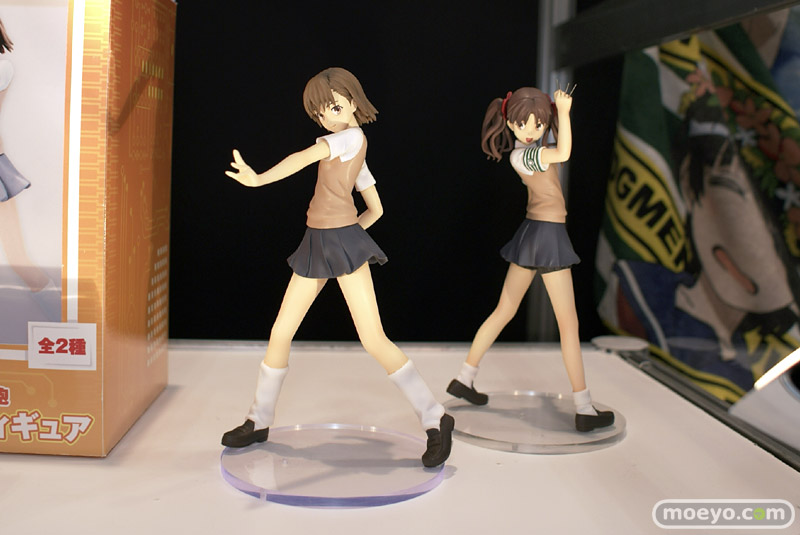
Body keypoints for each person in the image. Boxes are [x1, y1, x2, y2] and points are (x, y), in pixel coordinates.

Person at [222, 67, 453, 467]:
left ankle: (435, 417)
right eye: (319, 113)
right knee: (281, 331)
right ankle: (258, 419)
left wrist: (258, 181)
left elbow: (302, 157)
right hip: (319, 241)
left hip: (338, 241)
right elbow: (376, 209)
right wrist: (349, 233)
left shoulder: (348, 139)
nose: (326, 117)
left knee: (372, 338)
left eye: (333, 107)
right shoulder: (352, 146)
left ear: (352, 101)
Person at [446, 86, 614, 432]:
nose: (530, 130)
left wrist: (555, 115)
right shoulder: (525, 156)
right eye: (523, 124)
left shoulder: (531, 150)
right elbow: (564, 152)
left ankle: (464, 378)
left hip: (534, 232)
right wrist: (563, 113)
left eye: (538, 124)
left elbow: (554, 148)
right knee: (567, 324)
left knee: (504, 310)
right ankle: (584, 408)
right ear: (510, 122)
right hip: (547, 235)